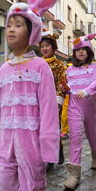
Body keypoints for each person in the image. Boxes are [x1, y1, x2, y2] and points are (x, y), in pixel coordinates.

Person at [0, 0, 58, 191]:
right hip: (6, 139)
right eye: (9, 24)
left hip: (32, 140)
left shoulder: (40, 67)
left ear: (32, 32)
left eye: (18, 25)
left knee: (32, 189)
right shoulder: (3, 69)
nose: (11, 29)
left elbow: (49, 108)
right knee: (5, 184)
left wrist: (49, 147)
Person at [63, 33, 96, 191]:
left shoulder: (95, 67)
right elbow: (70, 88)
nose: (80, 52)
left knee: (93, 135)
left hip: (91, 106)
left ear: (89, 51)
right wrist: (64, 90)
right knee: (75, 136)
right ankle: (74, 174)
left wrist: (86, 91)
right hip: (74, 107)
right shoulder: (69, 69)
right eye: (77, 50)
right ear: (74, 53)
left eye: (84, 49)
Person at [40, 29, 66, 171]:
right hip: (40, 101)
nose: (44, 48)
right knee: (42, 131)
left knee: (53, 130)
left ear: (53, 47)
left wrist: (57, 102)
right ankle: (48, 156)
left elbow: (62, 84)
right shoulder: (37, 63)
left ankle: (56, 153)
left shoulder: (59, 65)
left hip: (54, 101)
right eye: (42, 46)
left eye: (47, 46)